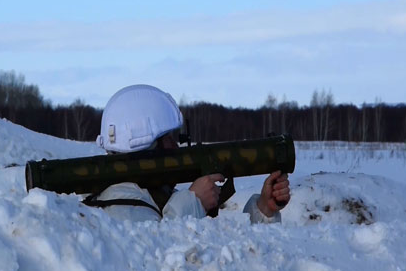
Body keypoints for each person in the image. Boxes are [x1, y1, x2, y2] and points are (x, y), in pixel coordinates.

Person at [86, 84, 290, 223]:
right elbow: (160, 264)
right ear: (147, 147)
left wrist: (264, 209)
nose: (175, 146)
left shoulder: (152, 198)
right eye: (167, 139)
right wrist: (194, 202)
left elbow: (227, 255)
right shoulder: (122, 208)